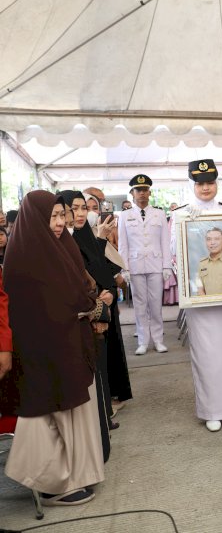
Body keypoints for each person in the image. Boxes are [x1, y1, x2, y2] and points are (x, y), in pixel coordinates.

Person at [1, 191, 104, 506]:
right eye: (53, 216)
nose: (61, 223)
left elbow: (81, 287)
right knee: (48, 415)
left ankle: (76, 474)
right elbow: (52, 303)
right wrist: (87, 306)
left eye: (63, 215)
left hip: (66, 343)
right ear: (36, 219)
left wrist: (89, 304)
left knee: (71, 412)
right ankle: (50, 485)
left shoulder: (59, 247)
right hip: (41, 353)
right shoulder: (25, 258)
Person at [171, 159, 222, 432]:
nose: (205, 188)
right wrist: (191, 291)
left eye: (209, 183)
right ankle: (212, 410)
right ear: (192, 185)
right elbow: (177, 258)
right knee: (206, 356)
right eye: (200, 183)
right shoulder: (182, 216)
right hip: (201, 300)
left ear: (216, 184)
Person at [60, 190, 117, 459]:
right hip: (82, 320)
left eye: (84, 208)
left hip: (99, 315)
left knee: (101, 375)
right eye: (74, 208)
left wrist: (105, 299)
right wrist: (97, 305)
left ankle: (104, 421)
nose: (80, 213)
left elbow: (102, 272)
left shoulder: (82, 238)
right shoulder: (59, 242)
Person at [118, 175, 172, 356]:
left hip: (155, 264)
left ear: (149, 192)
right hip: (135, 265)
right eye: (138, 190)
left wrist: (167, 266)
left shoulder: (159, 213)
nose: (142, 193)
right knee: (140, 305)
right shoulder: (125, 216)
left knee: (156, 304)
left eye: (144, 189)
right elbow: (123, 245)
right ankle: (142, 341)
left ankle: (158, 340)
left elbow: (165, 241)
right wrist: (123, 268)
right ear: (132, 193)